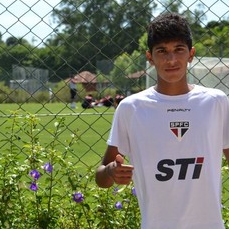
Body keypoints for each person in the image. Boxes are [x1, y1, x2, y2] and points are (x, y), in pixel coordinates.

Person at [95, 12, 229, 229]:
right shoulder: (131, 108)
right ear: (150, 57)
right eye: (162, 51)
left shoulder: (216, 102)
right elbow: (102, 178)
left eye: (179, 50)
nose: (171, 60)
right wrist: (111, 171)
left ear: (191, 54)